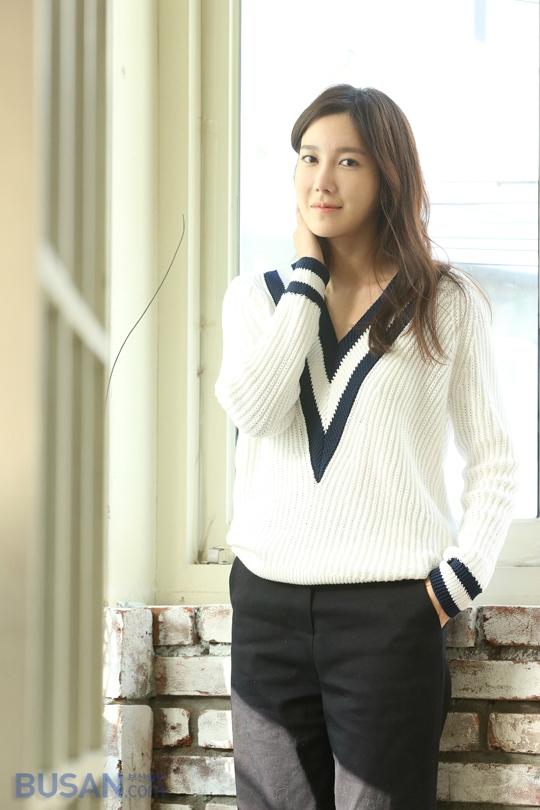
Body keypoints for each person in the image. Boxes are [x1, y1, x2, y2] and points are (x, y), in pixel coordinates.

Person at [213, 84, 519, 810]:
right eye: (308, 157)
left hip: (391, 618)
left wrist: (453, 585)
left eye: (348, 161)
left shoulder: (445, 302)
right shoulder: (256, 298)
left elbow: (495, 462)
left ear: (389, 175)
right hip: (267, 608)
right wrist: (307, 280)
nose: (322, 179)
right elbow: (256, 412)